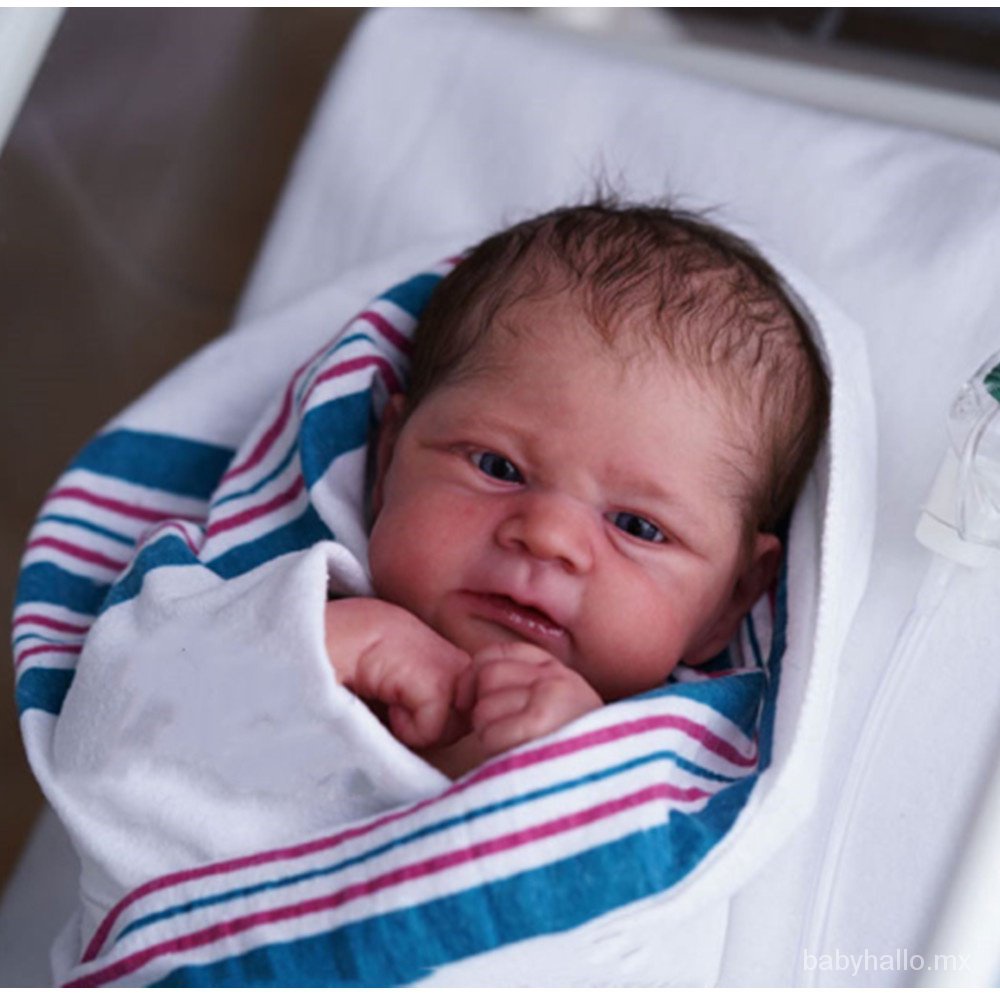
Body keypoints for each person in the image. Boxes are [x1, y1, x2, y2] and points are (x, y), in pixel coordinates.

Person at [324, 199, 830, 777]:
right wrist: (309, 648)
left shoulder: (667, 771)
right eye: (497, 466)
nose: (548, 537)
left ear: (729, 602)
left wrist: (578, 765)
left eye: (638, 527)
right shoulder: (280, 603)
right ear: (388, 461)